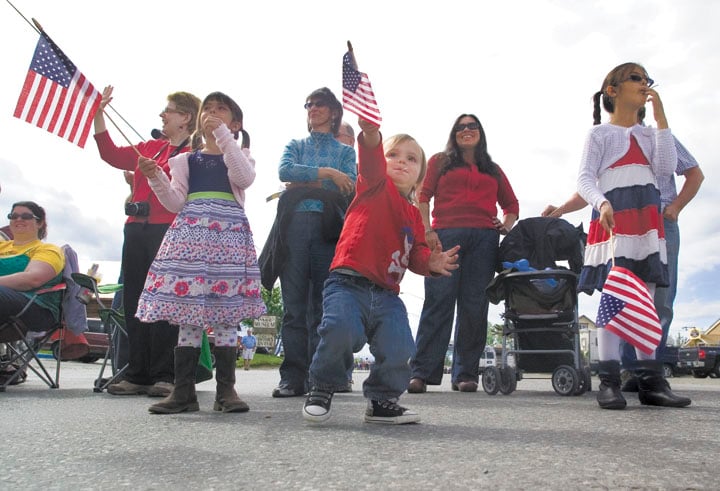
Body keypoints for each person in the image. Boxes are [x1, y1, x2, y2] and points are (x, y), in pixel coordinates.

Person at [301, 117, 461, 425]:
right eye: (394, 155)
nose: (401, 162)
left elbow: (415, 254)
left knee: (400, 344)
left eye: (411, 159)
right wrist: (372, 134)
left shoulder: (415, 215)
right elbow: (371, 157)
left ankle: (382, 400)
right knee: (340, 330)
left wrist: (430, 263)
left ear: (419, 178)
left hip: (387, 294)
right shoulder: (374, 185)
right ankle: (322, 386)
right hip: (347, 283)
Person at [542, 111, 704, 392]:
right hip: (618, 223)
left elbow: (695, 174)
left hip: (657, 223)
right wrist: (561, 209)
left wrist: (674, 208)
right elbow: (589, 187)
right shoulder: (606, 138)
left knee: (659, 300)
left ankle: (648, 372)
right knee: (619, 295)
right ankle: (629, 371)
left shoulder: (657, 137)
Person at [136, 91, 266, 414]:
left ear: (235, 123)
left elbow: (243, 177)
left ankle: (227, 391)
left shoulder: (241, 155)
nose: (212, 113)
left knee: (224, 313)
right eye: (208, 109)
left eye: (221, 110)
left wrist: (223, 137)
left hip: (228, 240)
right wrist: (155, 177)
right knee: (189, 315)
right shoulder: (184, 160)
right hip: (190, 240)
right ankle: (184, 392)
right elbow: (176, 202)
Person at [575, 62, 690, 409]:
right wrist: (602, 202)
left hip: (647, 220)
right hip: (614, 218)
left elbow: (666, 170)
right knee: (616, 298)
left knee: (648, 302)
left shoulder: (649, 133)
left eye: (647, 80)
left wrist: (661, 118)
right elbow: (584, 179)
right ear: (613, 90)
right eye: (635, 78)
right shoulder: (599, 135)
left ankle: (651, 382)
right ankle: (608, 381)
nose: (644, 84)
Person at [93, 87, 201, 397]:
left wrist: (157, 175)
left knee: (165, 301)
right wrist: (99, 113)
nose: (162, 115)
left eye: (169, 110)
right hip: (136, 229)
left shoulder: (194, 154)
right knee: (135, 301)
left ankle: (165, 374)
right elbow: (110, 153)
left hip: (168, 230)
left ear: (186, 117)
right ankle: (136, 372)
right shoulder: (151, 147)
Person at [408, 114, 519, 393]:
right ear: (453, 133)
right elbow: (423, 197)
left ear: (480, 132)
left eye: (472, 126)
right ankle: (422, 372)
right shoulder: (439, 162)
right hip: (445, 236)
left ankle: (465, 373)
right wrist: (427, 231)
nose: (466, 130)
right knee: (438, 301)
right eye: (460, 127)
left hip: (484, 239)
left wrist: (505, 224)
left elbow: (512, 203)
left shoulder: (492, 169)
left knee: (474, 305)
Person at [270, 87, 357, 398]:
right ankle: (292, 377)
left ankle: (319, 377)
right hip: (293, 226)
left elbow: (350, 185)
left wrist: (303, 184)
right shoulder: (295, 144)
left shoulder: (347, 151)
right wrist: (327, 174)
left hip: (328, 229)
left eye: (320, 104)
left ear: (333, 112)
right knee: (293, 307)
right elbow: (284, 170)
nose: (313, 108)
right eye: (308, 104)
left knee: (322, 306)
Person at [1, 202, 65, 341]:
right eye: (14, 216)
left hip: (35, 308)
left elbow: (32, 279)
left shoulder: (48, 250)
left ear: (40, 222)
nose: (18, 219)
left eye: (26, 216)